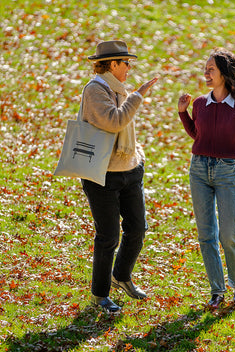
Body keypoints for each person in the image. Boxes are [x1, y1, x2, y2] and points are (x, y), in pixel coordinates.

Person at [178, 47, 235, 309]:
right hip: (199, 170)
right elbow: (198, 135)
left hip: (228, 171)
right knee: (206, 235)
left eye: (211, 69)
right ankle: (217, 291)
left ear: (225, 74)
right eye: (205, 69)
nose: (205, 73)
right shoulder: (199, 104)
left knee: (228, 234)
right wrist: (183, 112)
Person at [81, 40, 158, 313]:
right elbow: (114, 121)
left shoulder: (119, 88)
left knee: (137, 229)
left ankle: (121, 276)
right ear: (113, 64)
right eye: (126, 63)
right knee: (108, 237)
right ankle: (99, 295)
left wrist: (138, 157)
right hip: (102, 175)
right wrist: (138, 96)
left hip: (130, 170)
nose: (129, 67)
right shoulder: (95, 91)